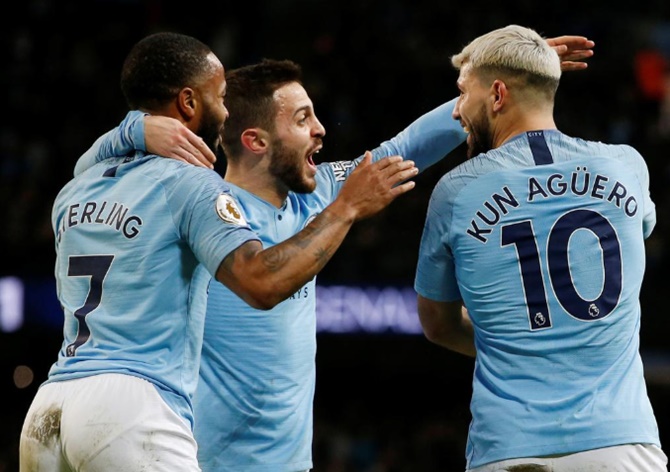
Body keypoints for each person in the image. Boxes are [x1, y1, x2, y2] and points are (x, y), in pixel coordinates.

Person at [76, 37, 594, 472]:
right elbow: (257, 276)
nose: (321, 130)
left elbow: (406, 147)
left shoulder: (317, 191)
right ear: (255, 140)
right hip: (203, 460)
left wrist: (498, 82)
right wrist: (132, 130)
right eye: (303, 119)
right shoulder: (203, 211)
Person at [18, 32, 418, 472]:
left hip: (50, 408)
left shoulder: (78, 187)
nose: (226, 112)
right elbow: (261, 282)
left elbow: (86, 161)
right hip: (131, 407)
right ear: (189, 103)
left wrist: (131, 129)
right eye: (221, 97)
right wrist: (346, 209)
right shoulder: (192, 184)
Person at [414, 24, 667, 471]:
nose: (456, 112)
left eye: (461, 93)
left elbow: (437, 325)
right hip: (621, 446)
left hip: (512, 449)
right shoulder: (627, 166)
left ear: (496, 94)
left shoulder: (456, 192)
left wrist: (520, 342)